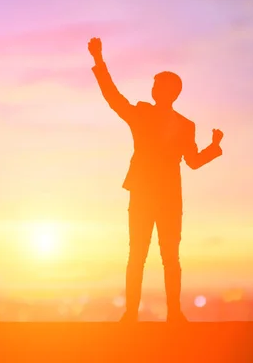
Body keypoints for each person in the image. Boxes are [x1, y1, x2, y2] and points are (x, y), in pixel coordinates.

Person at [88, 37, 224, 323]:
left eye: (157, 86)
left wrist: (214, 146)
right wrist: (99, 61)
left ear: (169, 92)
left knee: (159, 257)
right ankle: (138, 313)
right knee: (146, 256)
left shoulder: (174, 123)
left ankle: (165, 313)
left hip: (161, 197)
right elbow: (113, 97)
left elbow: (194, 161)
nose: (152, 89)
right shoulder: (149, 115)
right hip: (149, 195)